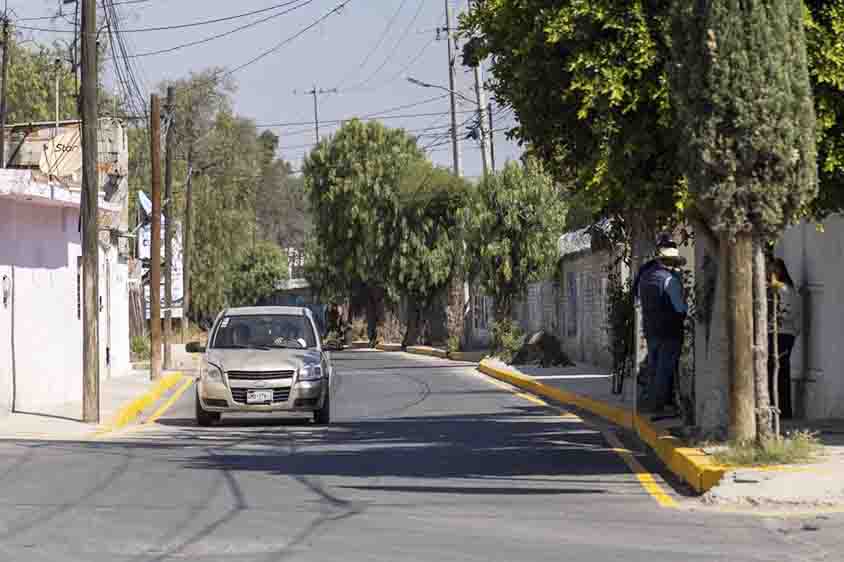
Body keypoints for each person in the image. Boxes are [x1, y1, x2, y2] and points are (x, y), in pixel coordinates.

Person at [635, 237, 688, 418]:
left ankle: (650, 401)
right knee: (664, 369)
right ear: (671, 262)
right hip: (670, 331)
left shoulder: (645, 276)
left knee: (654, 366)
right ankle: (658, 406)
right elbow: (680, 308)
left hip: (651, 329)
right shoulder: (669, 280)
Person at [768, 257, 801, 420]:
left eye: (774, 270)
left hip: (783, 333)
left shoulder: (784, 289)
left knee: (778, 372)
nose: (770, 273)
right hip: (780, 332)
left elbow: (787, 313)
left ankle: (782, 411)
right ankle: (780, 410)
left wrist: (772, 319)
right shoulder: (780, 289)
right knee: (779, 371)